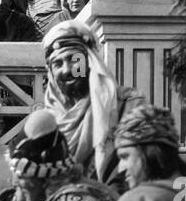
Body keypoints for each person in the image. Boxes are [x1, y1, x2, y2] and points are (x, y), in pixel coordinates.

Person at [42, 19, 144, 187]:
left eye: (74, 60)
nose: (67, 70)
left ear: (90, 61)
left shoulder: (128, 104)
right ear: (51, 71)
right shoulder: (46, 120)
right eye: (58, 64)